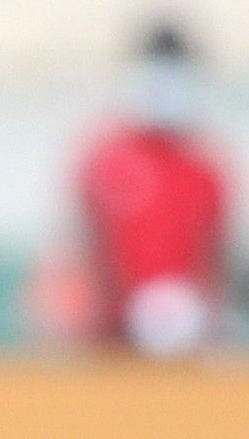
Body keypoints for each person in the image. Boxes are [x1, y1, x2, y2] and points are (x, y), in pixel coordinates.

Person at [75, 22, 230, 357]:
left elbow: (218, 255)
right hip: (117, 340)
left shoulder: (205, 166)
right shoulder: (107, 157)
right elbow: (89, 248)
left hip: (190, 340)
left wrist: (212, 322)